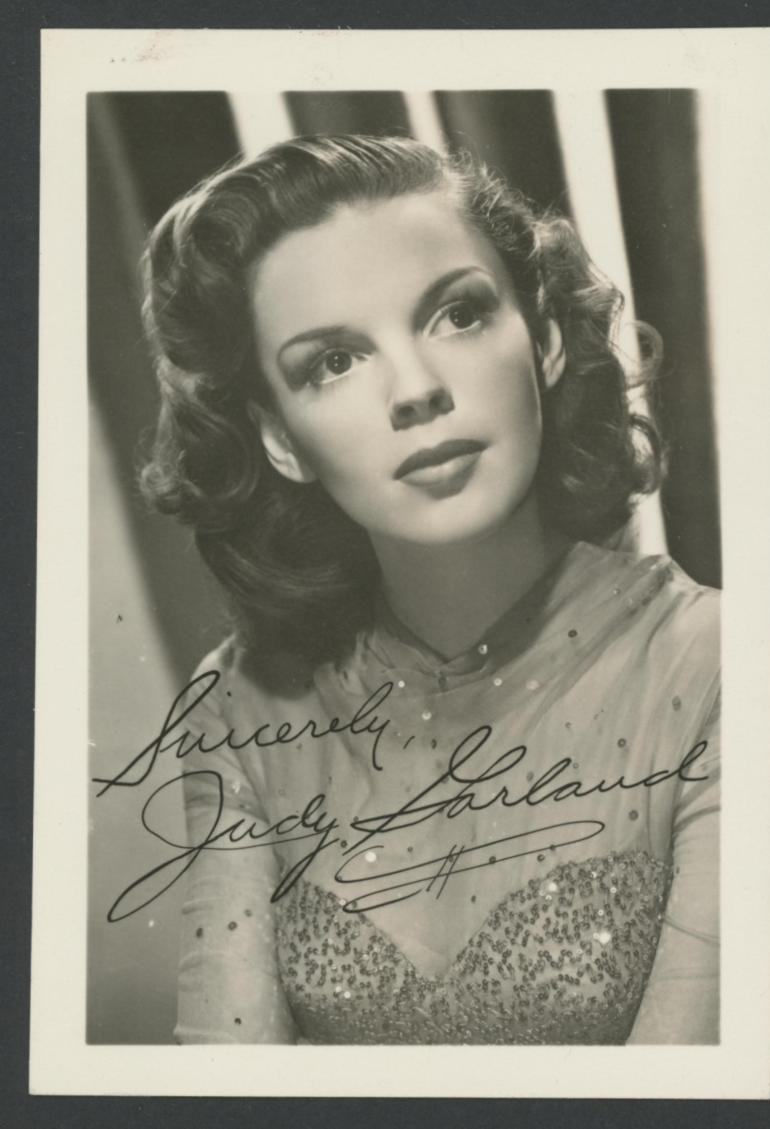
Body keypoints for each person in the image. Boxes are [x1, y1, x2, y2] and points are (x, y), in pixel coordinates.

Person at [140, 133, 720, 1045]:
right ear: (281, 439)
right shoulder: (241, 706)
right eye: (333, 361)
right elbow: (223, 1085)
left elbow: (693, 1093)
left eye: (457, 314)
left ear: (545, 339)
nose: (415, 390)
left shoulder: (723, 668)